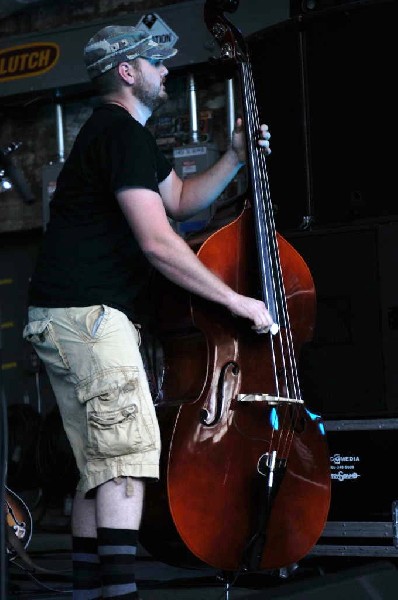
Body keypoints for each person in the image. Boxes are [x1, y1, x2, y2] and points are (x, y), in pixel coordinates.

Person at [23, 25, 273, 600]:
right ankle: (121, 594)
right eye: (156, 63)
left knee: (99, 466)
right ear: (127, 73)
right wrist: (236, 301)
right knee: (128, 456)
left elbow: (181, 199)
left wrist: (234, 157)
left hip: (66, 316)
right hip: (87, 317)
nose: (167, 70)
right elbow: (160, 242)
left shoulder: (120, 137)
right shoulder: (119, 133)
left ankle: (93, 592)